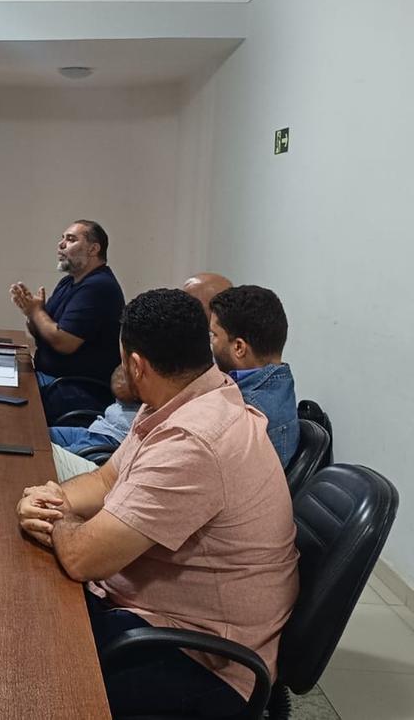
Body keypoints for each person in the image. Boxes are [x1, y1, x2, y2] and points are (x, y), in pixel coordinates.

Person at [17, 288, 298, 718]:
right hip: (154, 616)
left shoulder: (195, 440)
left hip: (201, 662)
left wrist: (54, 520)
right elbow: (107, 477)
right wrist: (51, 499)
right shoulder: (186, 397)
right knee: (24, 606)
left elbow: (82, 557)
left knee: (22, 670)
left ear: (135, 364)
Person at [10, 220, 124, 422]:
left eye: (71, 239)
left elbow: (64, 342)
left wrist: (36, 312)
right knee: (2, 381)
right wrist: (32, 313)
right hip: (53, 379)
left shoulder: (99, 287)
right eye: (62, 238)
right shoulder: (68, 282)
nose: (61, 244)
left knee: (9, 396)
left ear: (93, 249)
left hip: (76, 390)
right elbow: (43, 332)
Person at [209, 285, 299, 466]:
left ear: (239, 348)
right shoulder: (278, 382)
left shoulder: (248, 410)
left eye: (214, 335)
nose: (210, 343)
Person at [48, 366, 140, 482]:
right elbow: (118, 384)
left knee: (44, 456)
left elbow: (124, 388)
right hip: (96, 430)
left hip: (109, 442)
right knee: (40, 436)